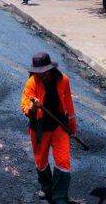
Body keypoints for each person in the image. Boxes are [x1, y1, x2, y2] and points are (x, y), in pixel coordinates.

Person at [21, 52, 77, 203]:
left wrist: (72, 126)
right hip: (39, 128)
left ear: (51, 68)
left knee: (63, 161)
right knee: (41, 161)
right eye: (40, 72)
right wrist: (33, 107)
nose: (43, 75)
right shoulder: (32, 83)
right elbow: (25, 107)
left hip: (59, 126)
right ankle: (46, 186)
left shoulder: (63, 80)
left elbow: (69, 106)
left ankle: (60, 196)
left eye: (45, 71)